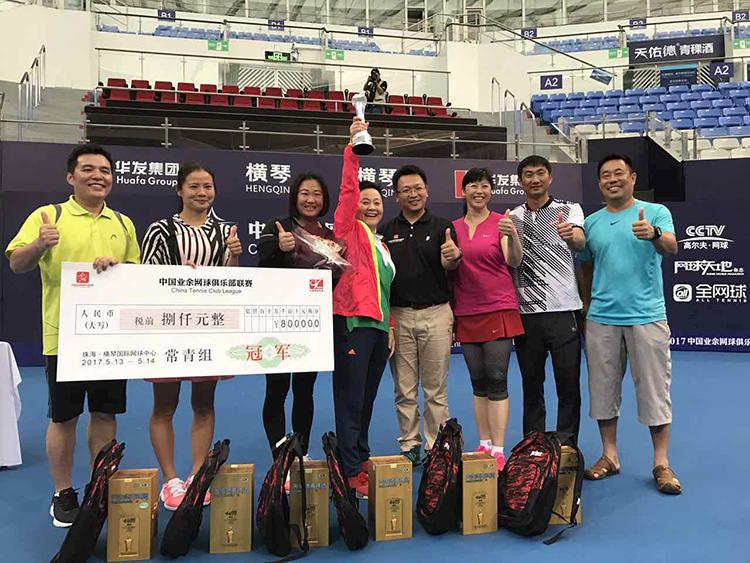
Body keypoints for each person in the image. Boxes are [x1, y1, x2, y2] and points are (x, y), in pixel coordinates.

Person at [5, 143, 141, 527]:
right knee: (65, 418)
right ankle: (62, 492)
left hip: (110, 337)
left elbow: (136, 275)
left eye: (105, 171)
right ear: (71, 177)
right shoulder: (49, 216)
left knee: (105, 413)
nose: (98, 176)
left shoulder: (123, 223)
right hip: (64, 337)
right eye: (88, 169)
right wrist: (39, 244)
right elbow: (16, 263)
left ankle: (101, 486)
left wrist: (118, 268)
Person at [140, 162, 242, 510]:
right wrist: (177, 276)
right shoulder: (160, 230)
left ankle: (198, 475)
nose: (202, 193)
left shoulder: (224, 231)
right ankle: (170, 479)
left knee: (203, 403)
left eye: (207, 186)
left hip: (208, 328)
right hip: (168, 328)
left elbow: (230, 283)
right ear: (179, 190)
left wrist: (235, 257)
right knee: (164, 406)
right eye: (194, 186)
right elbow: (145, 278)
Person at [578, 153, 681, 495]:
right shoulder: (591, 223)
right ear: (599, 183)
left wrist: (653, 234)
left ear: (632, 178)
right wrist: (588, 306)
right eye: (606, 175)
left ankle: (661, 463)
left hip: (647, 316)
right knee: (602, 391)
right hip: (601, 320)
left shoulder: (656, 213)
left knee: (654, 391)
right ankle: (609, 456)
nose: (613, 179)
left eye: (619, 173)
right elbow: (586, 267)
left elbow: (671, 247)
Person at [332, 116, 396, 498]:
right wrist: (353, 148)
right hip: (352, 324)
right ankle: (351, 468)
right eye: (365, 201)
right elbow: (347, 191)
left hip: (377, 328)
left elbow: (384, 292)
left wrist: (389, 328)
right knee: (351, 398)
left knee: (367, 399)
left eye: (376, 202)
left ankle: (360, 455)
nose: (371, 206)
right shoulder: (348, 231)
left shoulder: (381, 244)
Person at [379, 165, 459, 465]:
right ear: (396, 195)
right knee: (404, 388)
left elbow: (451, 265)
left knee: (436, 388)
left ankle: (437, 445)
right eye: (405, 190)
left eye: (417, 188)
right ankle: (410, 443)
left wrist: (452, 258)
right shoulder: (386, 231)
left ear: (426, 191)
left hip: (436, 313)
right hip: (399, 316)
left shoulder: (442, 227)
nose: (412, 194)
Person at [258, 172, 334, 468]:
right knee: (276, 390)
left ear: (324, 199)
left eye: (317, 194)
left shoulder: (329, 237)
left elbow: (334, 278)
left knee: (305, 391)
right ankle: (280, 458)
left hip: (312, 325)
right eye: (305, 193)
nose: (310, 199)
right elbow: (262, 267)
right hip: (277, 322)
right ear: (294, 196)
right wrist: (280, 248)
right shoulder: (278, 226)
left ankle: (301, 452)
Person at [509, 155, 585, 445]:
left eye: (540, 173)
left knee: (568, 384)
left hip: (564, 311)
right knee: (531, 385)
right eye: (528, 174)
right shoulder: (512, 217)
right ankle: (534, 445)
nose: (535, 179)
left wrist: (571, 235)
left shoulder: (569, 209)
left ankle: (566, 445)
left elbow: (580, 241)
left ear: (550, 177)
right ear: (520, 181)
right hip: (526, 313)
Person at [450, 168, 523, 471]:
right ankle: (483, 444)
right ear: (463, 191)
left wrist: (512, 235)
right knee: (478, 382)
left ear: (491, 191)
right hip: (466, 311)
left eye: (484, 186)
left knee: (496, 379)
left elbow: (514, 260)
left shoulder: (501, 223)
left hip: (498, 309)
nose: (479, 191)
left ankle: (498, 449)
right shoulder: (453, 228)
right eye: (473, 186)